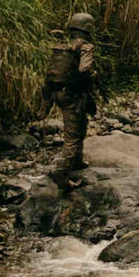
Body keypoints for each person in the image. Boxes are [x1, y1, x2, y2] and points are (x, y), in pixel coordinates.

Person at [43, 11, 97, 180]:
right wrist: (92, 76)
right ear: (87, 29)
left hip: (57, 93)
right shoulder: (85, 47)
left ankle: (76, 163)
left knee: (79, 126)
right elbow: (84, 69)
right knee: (73, 135)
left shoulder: (63, 46)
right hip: (73, 94)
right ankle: (63, 175)